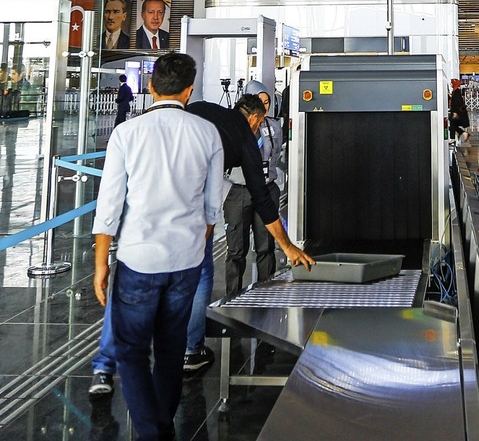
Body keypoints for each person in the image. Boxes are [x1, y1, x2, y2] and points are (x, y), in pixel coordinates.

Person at [88, 86, 315, 389]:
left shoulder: (192, 113)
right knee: (201, 273)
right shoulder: (243, 136)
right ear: (255, 119)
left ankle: (104, 367)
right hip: (187, 213)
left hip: (144, 212)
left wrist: (101, 257)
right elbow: (260, 196)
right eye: (259, 122)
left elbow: (110, 198)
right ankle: (190, 350)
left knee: (129, 287)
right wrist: (287, 246)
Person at [92, 52, 224, 441]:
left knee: (130, 350)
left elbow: (109, 205)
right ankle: (163, 432)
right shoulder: (207, 133)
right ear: (189, 90)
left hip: (138, 259)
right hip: (185, 260)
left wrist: (100, 263)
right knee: (169, 350)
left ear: (152, 87)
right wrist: (194, 239)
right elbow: (211, 208)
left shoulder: (128, 133)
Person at [223, 80, 283, 295]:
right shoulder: (234, 126)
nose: (265, 106)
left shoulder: (274, 126)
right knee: (236, 249)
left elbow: (275, 155)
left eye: (267, 102)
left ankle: (266, 293)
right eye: (260, 102)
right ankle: (232, 296)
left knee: (266, 246)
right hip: (240, 190)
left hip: (266, 188)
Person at [448, 79, 470, 143]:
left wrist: (455, 112)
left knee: (452, 124)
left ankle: (454, 138)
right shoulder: (455, 91)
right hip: (456, 111)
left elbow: (457, 103)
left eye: (451, 83)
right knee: (453, 124)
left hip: (456, 111)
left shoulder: (456, 92)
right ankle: (462, 134)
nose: (450, 84)